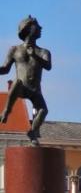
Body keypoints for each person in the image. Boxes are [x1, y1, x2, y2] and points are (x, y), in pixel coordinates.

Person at [0, 16, 51, 145]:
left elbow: (48, 66)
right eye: (37, 26)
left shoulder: (43, 52)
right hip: (21, 87)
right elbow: (5, 68)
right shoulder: (15, 50)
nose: (40, 28)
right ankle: (7, 110)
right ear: (28, 28)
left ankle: (33, 132)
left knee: (43, 110)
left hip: (35, 90)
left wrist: (34, 55)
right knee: (17, 82)